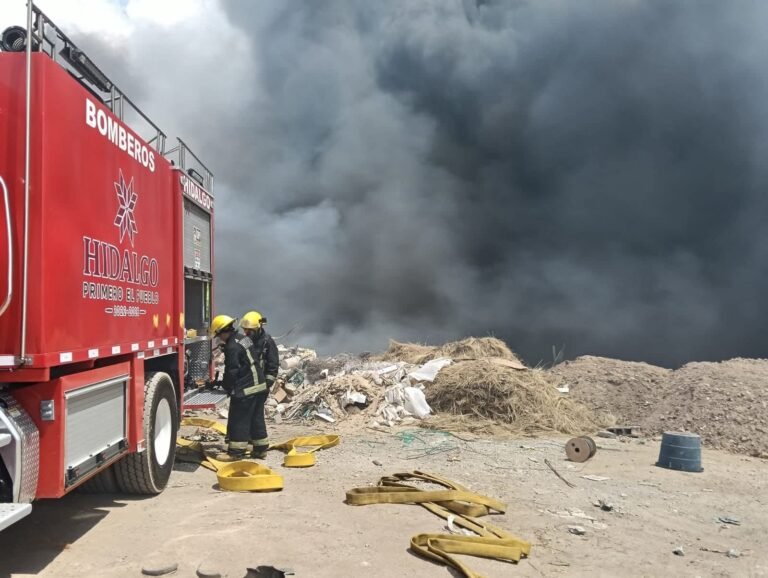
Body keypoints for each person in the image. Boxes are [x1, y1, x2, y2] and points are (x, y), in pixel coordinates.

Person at [209, 314, 266, 461]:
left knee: (238, 419)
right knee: (256, 419)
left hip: (246, 388)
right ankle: (260, 450)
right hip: (259, 385)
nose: (219, 339)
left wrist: (226, 387)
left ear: (222, 332)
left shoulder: (231, 347)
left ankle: (235, 453)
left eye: (218, 335)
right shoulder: (243, 338)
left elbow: (232, 370)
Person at [239, 311, 279, 458]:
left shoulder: (267, 341)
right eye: (245, 330)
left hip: (260, 385)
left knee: (256, 415)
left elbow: (273, 364)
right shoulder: (246, 341)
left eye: (250, 330)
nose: (247, 333)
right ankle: (251, 441)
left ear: (259, 327)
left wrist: (267, 383)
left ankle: (261, 448)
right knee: (247, 413)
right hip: (247, 384)